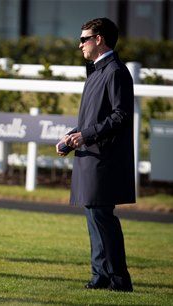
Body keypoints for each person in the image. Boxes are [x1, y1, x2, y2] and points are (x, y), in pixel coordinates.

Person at [56, 17, 135, 292]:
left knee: (102, 217)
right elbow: (93, 117)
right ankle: (100, 275)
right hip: (91, 155)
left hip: (105, 157)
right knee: (94, 216)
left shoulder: (115, 71)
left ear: (98, 39)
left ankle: (118, 279)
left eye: (84, 39)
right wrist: (72, 135)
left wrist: (86, 136)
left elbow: (121, 116)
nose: (80, 45)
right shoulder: (96, 71)